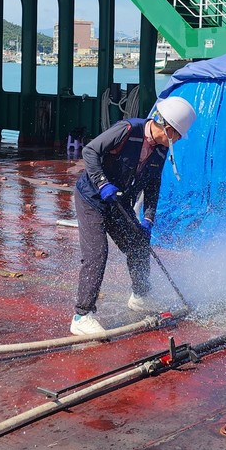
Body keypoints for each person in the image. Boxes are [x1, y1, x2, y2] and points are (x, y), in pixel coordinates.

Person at [69, 95, 196, 336]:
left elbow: (153, 185)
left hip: (118, 202)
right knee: (97, 253)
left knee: (138, 243)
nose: (178, 141)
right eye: (178, 136)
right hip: (92, 199)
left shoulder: (159, 152)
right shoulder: (128, 130)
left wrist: (148, 218)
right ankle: (82, 315)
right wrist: (102, 183)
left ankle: (140, 295)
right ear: (168, 129)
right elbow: (90, 151)